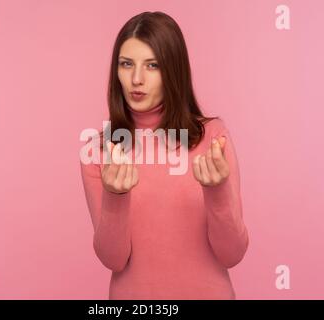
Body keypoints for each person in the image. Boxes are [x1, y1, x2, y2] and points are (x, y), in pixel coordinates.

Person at [79, 11, 249, 300]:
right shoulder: (100, 149)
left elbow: (232, 254)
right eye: (126, 64)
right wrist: (115, 196)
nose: (136, 79)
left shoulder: (212, 137)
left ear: (173, 70)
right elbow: (113, 260)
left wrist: (216, 190)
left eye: (152, 65)